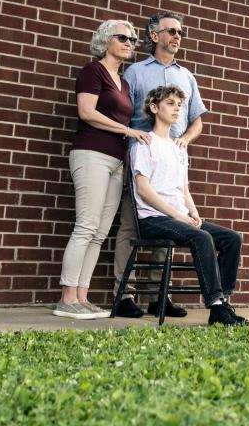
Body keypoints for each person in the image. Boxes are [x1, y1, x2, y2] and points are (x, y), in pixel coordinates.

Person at [112, 11, 207, 318]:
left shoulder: (186, 76)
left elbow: (198, 121)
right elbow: (122, 115)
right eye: (171, 31)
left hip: (174, 163)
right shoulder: (136, 73)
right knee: (131, 224)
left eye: (180, 32)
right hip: (144, 158)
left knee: (171, 228)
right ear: (155, 36)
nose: (177, 36)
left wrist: (186, 140)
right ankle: (124, 296)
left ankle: (157, 296)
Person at [54, 20, 150, 320]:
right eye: (123, 37)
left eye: (133, 39)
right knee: (86, 225)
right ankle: (66, 298)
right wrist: (127, 130)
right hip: (91, 154)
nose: (129, 43)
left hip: (116, 161)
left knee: (99, 233)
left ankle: (82, 296)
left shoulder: (123, 83)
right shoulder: (92, 71)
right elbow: (87, 112)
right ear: (104, 40)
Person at [131, 85, 247, 326]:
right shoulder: (143, 144)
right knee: (202, 238)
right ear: (154, 108)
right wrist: (178, 216)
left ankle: (223, 303)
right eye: (170, 103)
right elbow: (143, 189)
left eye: (179, 105)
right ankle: (215, 307)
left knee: (231, 238)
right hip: (153, 219)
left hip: (180, 217)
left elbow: (183, 189)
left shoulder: (179, 148)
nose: (177, 109)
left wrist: (193, 213)